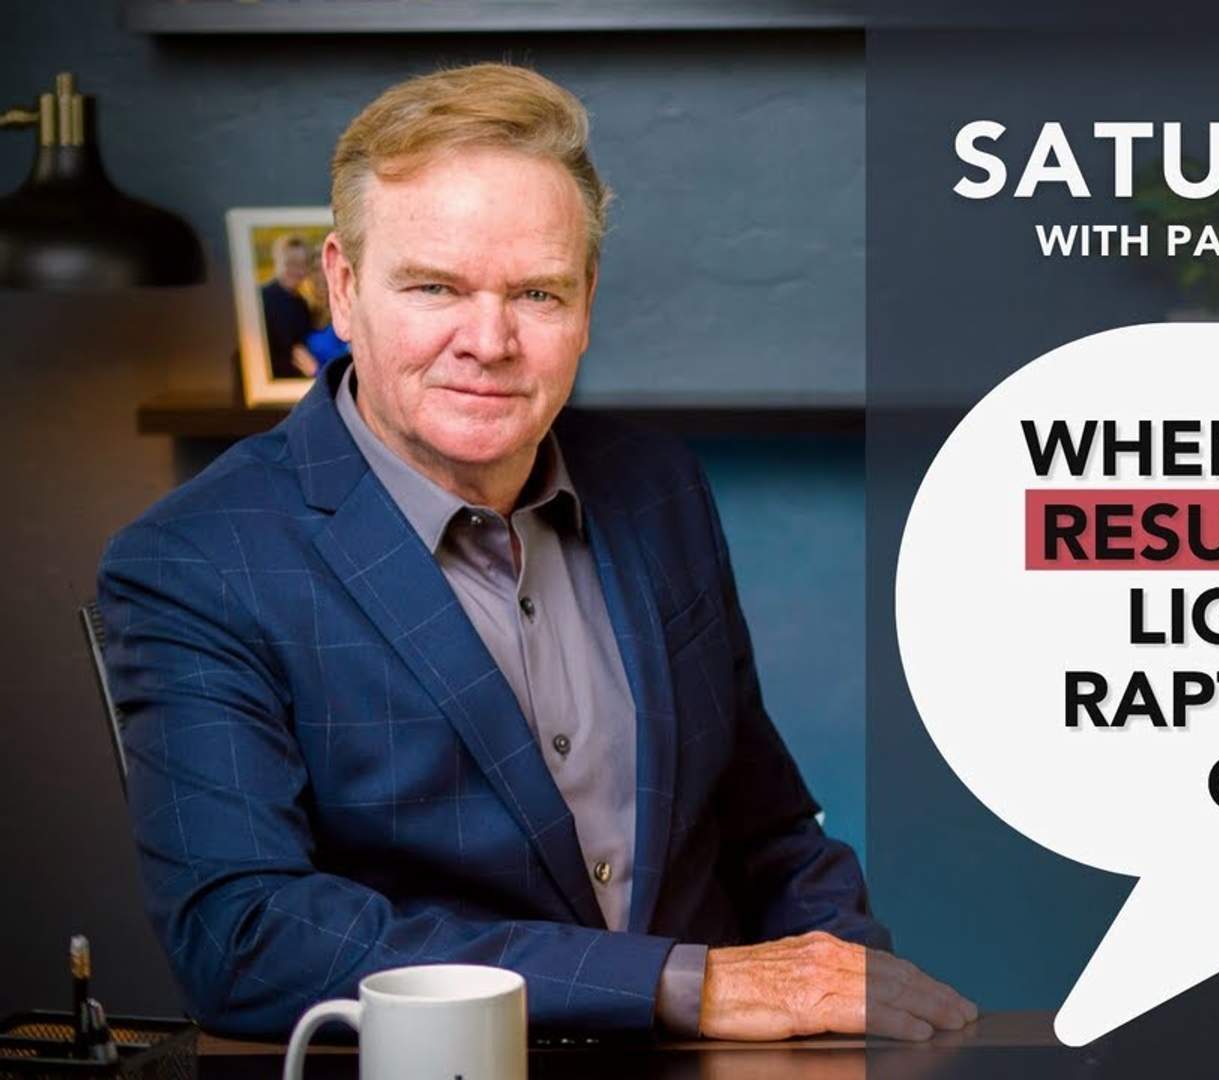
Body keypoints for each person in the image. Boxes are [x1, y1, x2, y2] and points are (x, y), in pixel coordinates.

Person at [97, 64, 973, 1042]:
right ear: (343, 289)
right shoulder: (195, 562)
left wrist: (854, 1009)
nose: (489, 340)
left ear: (588, 298)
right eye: (435, 286)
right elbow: (245, 937)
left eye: (538, 294)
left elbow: (765, 832)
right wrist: (688, 987)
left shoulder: (658, 487)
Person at [259, 234, 316, 378]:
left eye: (302, 265)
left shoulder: (302, 304)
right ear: (277, 261)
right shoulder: (260, 298)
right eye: (290, 263)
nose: (297, 270)